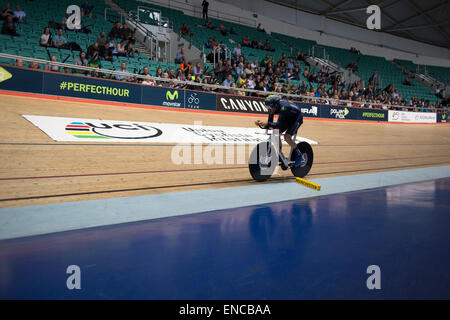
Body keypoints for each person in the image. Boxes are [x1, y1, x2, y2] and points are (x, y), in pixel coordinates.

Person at [254, 95, 304, 167]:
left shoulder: (284, 107)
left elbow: (275, 125)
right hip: (285, 116)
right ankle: (280, 155)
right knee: (275, 133)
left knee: (287, 137)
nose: (268, 109)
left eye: (269, 107)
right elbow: (271, 125)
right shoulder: (272, 108)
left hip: (296, 118)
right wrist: (262, 124)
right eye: (266, 107)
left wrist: (267, 124)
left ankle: (299, 155)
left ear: (275, 105)